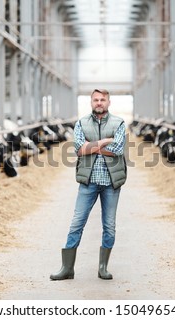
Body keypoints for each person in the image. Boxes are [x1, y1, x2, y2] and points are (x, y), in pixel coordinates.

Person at [50, 89, 127, 281]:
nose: (99, 103)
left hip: (111, 183)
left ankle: (103, 267)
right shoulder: (81, 123)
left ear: (109, 102)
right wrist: (104, 141)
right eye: (96, 100)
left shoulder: (119, 123)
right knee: (76, 223)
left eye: (103, 99)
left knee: (109, 226)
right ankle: (67, 268)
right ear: (91, 102)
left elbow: (117, 150)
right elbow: (79, 149)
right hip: (88, 182)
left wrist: (91, 146)